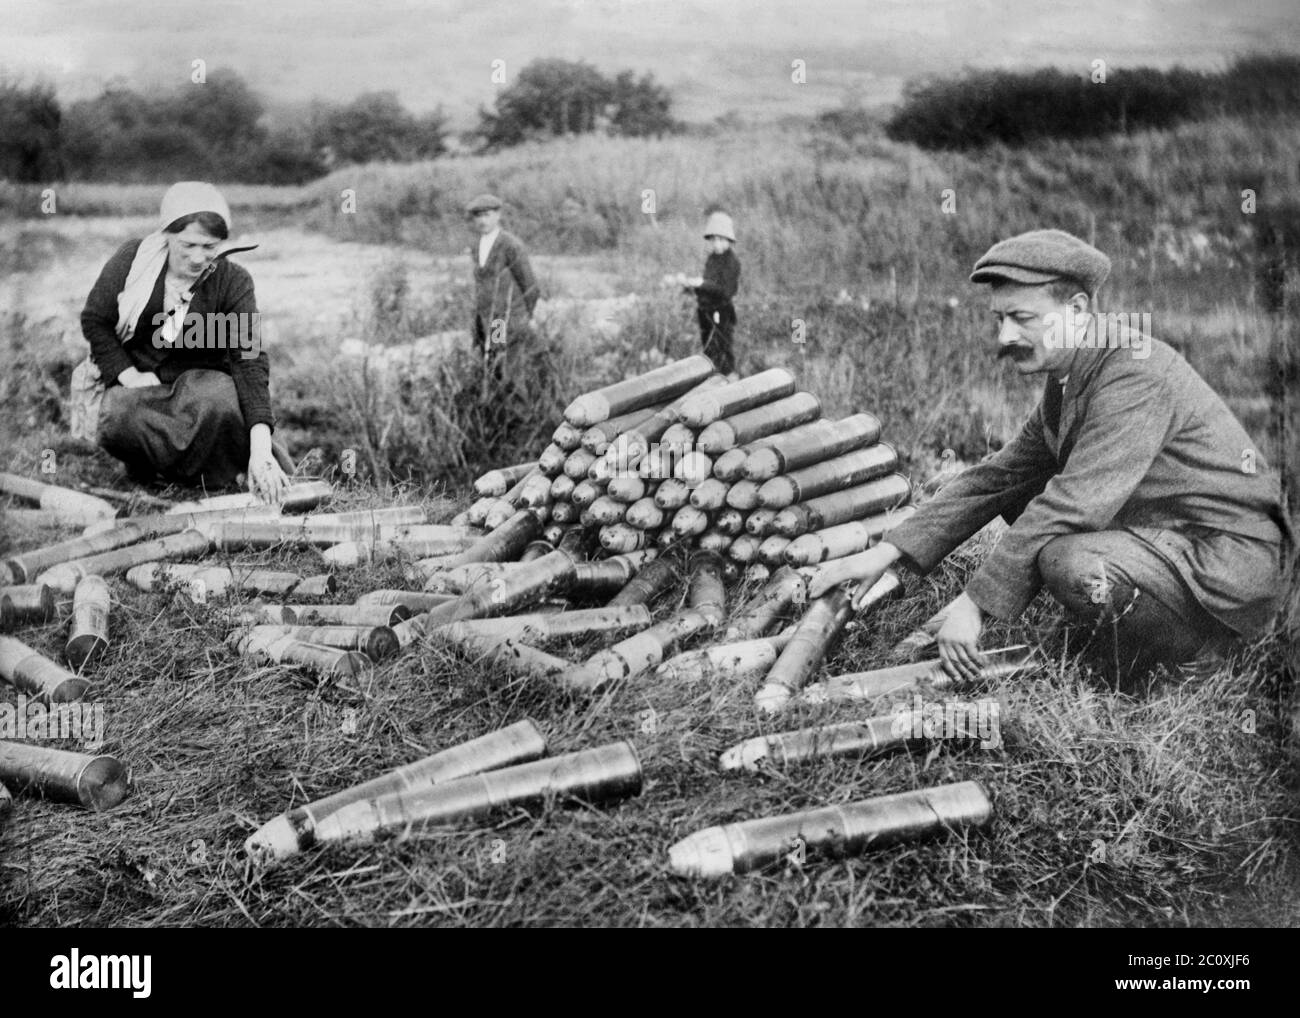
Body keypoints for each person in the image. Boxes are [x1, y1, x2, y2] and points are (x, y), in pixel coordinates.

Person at [809, 228, 1291, 683]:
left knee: (1068, 559)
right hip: (1170, 539)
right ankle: (1129, 629)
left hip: (1225, 561)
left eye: (1022, 318)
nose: (1004, 338)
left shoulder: (1135, 376)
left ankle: (1199, 654)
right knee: (1021, 494)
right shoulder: (1074, 374)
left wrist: (974, 604)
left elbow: (1073, 503)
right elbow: (999, 476)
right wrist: (885, 552)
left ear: (1077, 309)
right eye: (1000, 319)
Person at [78, 181, 291, 502]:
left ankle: (221, 479)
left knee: (220, 401)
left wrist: (261, 448)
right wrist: (128, 374)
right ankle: (152, 475)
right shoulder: (132, 262)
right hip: (147, 392)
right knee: (117, 415)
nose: (197, 258)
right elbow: (96, 320)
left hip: (206, 395)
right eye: (188, 245)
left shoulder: (233, 282)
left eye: (209, 248)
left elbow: (250, 357)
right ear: (166, 234)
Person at [466, 193, 540, 356]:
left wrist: (527, 316)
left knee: (506, 366)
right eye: (478, 216)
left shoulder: (510, 245)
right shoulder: (477, 246)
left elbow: (529, 285)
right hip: (485, 318)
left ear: (498, 216)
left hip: (504, 319)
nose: (482, 221)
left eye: (487, 215)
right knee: (491, 364)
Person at [678, 210, 741, 375]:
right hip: (706, 311)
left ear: (728, 240)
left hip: (721, 311)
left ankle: (728, 380)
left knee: (723, 348)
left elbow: (725, 291)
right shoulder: (712, 259)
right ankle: (711, 379)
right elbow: (707, 284)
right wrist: (689, 286)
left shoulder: (732, 262)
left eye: (721, 240)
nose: (717, 244)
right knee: (708, 349)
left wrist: (702, 284)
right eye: (713, 240)